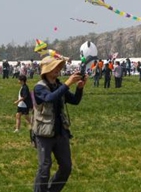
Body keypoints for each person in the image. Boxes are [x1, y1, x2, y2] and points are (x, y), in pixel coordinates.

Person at [33, 56, 85, 192]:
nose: (58, 70)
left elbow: (74, 100)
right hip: (44, 133)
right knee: (44, 168)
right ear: (47, 70)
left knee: (66, 167)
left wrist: (79, 88)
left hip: (61, 132)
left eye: (58, 67)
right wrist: (68, 84)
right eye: (55, 67)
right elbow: (49, 98)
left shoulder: (60, 86)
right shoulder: (39, 87)